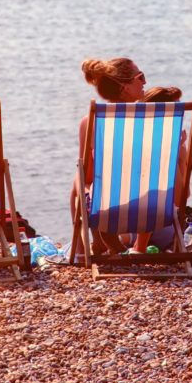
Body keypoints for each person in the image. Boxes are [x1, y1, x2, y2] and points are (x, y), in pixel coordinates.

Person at [72, 58, 147, 254]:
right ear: (124, 87)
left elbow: (87, 176)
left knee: (78, 180)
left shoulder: (90, 122)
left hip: (107, 206)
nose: (145, 82)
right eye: (140, 77)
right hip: (151, 205)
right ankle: (137, 246)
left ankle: (82, 249)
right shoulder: (154, 119)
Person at [128, 86, 190, 254]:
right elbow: (180, 199)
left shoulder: (127, 143)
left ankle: (131, 247)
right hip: (165, 230)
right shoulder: (176, 148)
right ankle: (139, 248)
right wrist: (174, 153)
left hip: (119, 227)